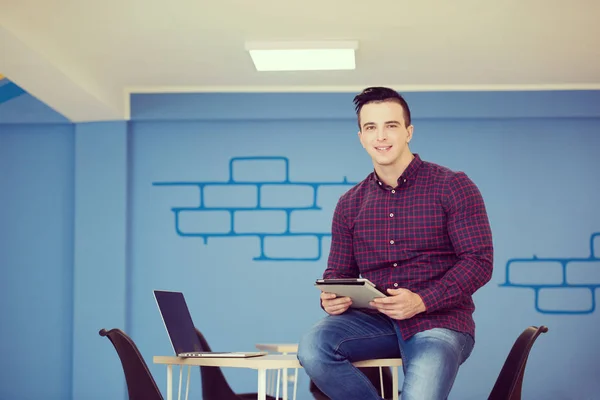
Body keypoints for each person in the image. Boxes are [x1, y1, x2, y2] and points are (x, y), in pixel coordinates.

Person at [297, 87, 494, 400]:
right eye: (371, 128)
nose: (381, 136)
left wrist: (421, 300)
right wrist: (332, 297)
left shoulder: (452, 185)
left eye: (391, 125)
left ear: (408, 132)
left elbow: (478, 262)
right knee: (313, 347)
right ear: (361, 136)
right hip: (372, 323)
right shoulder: (349, 203)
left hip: (437, 322)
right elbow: (338, 271)